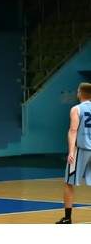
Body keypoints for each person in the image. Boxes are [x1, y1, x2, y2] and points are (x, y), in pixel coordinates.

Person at [56, 82, 91, 224]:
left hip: (81, 150)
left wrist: (71, 151)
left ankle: (67, 217)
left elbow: (73, 130)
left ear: (81, 93)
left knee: (69, 183)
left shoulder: (76, 109)